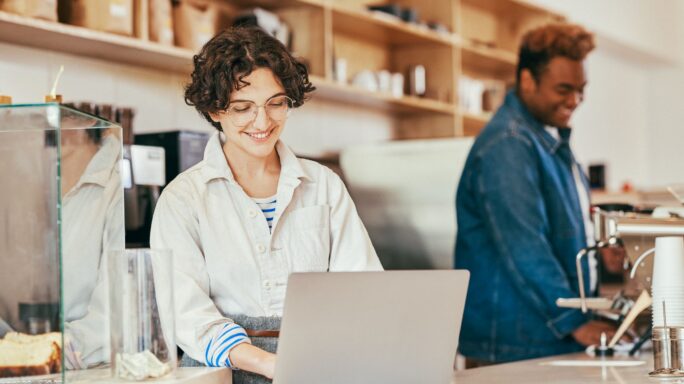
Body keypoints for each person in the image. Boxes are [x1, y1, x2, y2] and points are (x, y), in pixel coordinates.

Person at [150, 27, 382, 382]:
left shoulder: (324, 186)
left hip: (315, 366)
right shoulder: (183, 199)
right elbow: (185, 311)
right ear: (214, 109)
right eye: (243, 108)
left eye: (276, 104)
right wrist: (269, 364)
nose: (263, 122)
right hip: (222, 373)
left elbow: (364, 287)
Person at [455, 23, 622, 365]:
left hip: (541, 339)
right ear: (527, 80)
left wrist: (598, 252)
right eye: (563, 88)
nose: (574, 100)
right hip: (513, 346)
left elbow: (561, 229)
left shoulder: (548, 141)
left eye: (581, 89)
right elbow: (525, 245)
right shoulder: (508, 145)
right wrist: (576, 321)